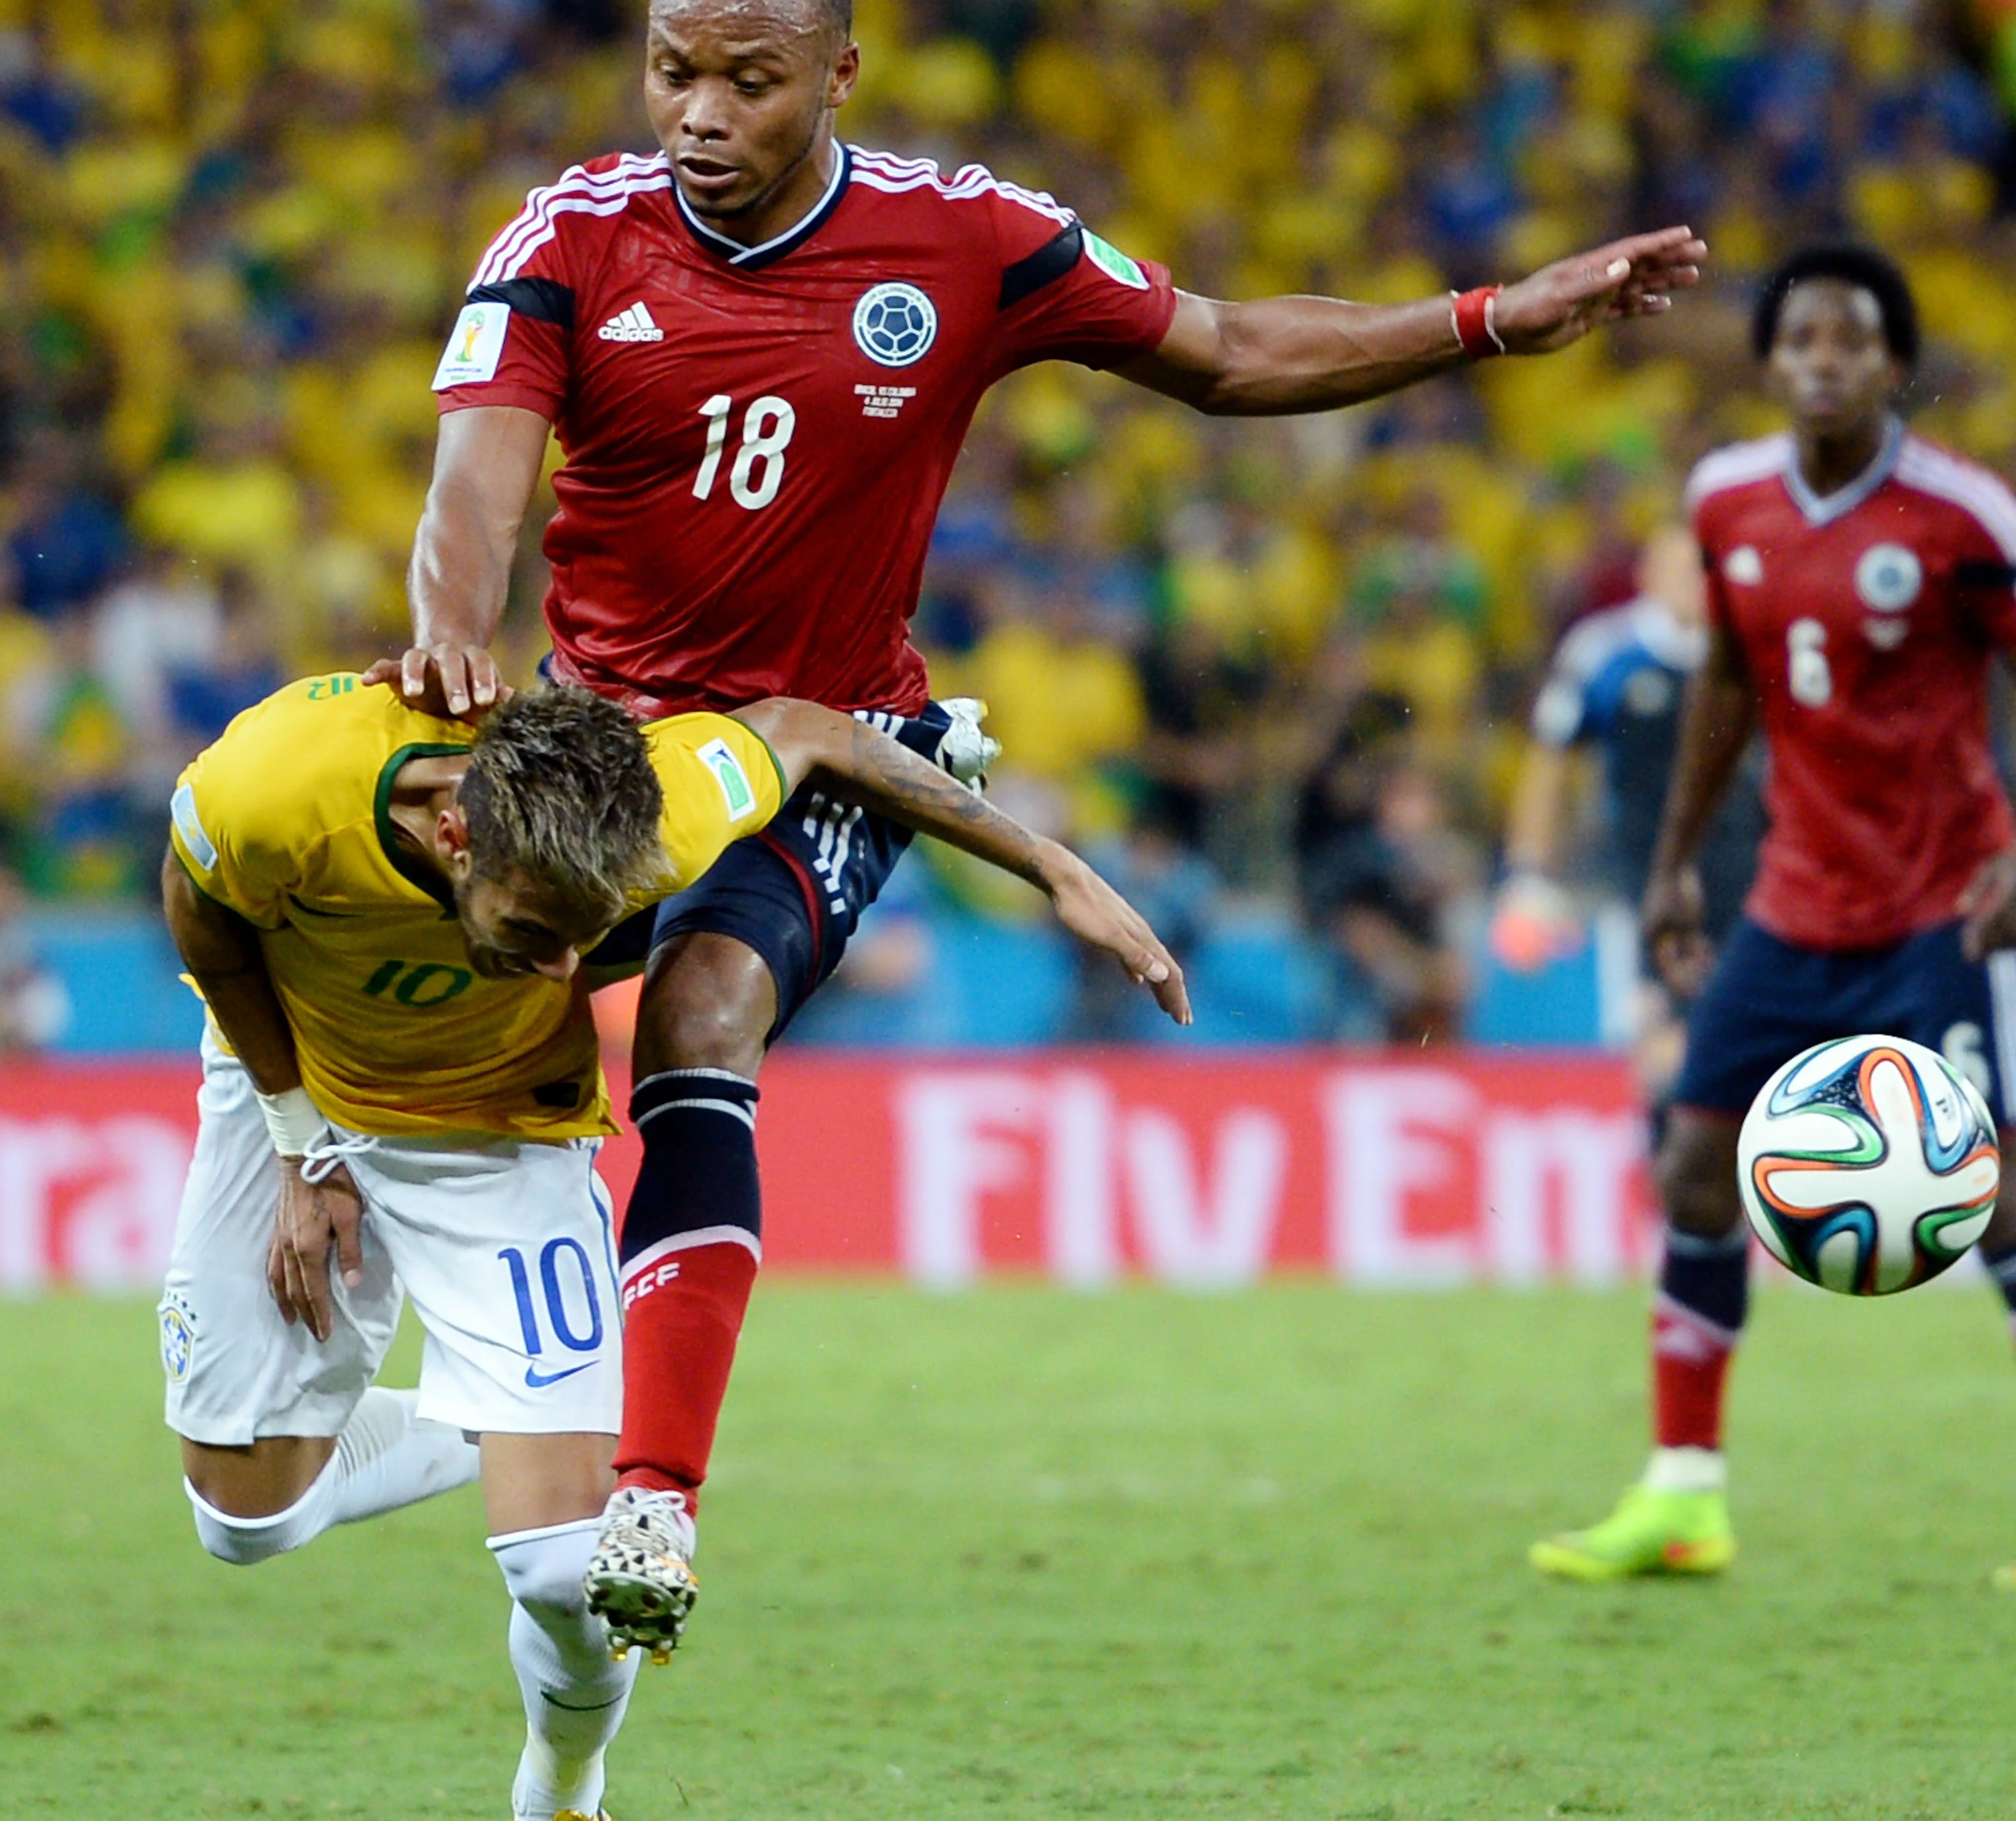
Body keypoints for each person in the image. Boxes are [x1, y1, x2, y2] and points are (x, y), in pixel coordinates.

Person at [378, 0, 1706, 1656]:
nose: (696, 114)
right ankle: (400, 1327)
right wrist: (451, 632)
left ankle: (656, 1491)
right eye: (670, 72)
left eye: (745, 79)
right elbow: (470, 498)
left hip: (835, 756)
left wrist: (1489, 318)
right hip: (607, 762)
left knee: (703, 1019)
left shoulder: (959, 241)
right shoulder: (571, 237)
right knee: (458, 1048)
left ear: (834, 76)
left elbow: (1222, 351)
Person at [158, 678, 1183, 1821]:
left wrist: (1054, 868)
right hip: (289, 1081)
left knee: (567, 1575)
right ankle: (496, 1420)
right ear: (454, 834)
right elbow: (201, 911)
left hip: (501, 1129)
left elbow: (812, 732)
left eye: (584, 940)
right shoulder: (279, 783)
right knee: (244, 1522)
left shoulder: (668, 802)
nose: (561, 973)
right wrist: (301, 1144)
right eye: (537, 932)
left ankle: (559, 1790)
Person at [1529, 246, 2016, 1591]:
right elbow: (1727, 693)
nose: (1825, 358)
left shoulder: (1965, 515)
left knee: (1994, 1195)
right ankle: (1683, 1494)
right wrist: (1672, 867)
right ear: (1770, 365)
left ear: (1893, 366)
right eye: (1802, 339)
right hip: (1793, 901)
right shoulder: (1726, 502)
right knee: (1699, 1168)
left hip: (1950, 903)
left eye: (1852, 340)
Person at [1496, 522, 1769, 1122]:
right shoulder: (1604, 652)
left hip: (1751, 888)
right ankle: (1679, 1215)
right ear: (1646, 577)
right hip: (1644, 892)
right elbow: (1549, 764)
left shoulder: (1754, 647)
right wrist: (1529, 873)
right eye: (1677, 570)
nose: (1691, 586)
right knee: (1664, 1067)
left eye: (1702, 571)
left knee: (1758, 1065)